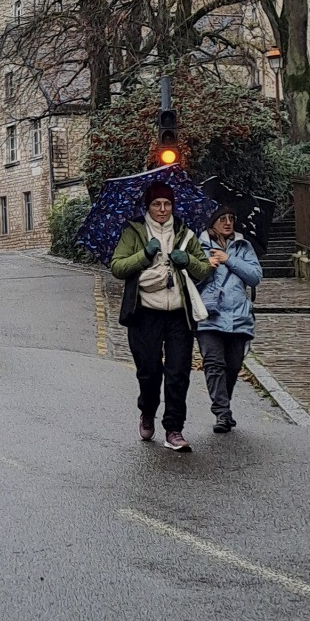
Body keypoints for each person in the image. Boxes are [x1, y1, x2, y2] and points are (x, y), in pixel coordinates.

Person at [110, 182, 211, 452]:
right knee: (149, 372)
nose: (163, 209)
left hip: (179, 315)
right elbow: (117, 267)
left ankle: (174, 429)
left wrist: (187, 260)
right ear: (148, 207)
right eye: (157, 204)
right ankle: (147, 411)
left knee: (178, 373)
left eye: (167, 204)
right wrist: (144, 255)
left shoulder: (186, 234)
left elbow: (204, 269)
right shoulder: (133, 232)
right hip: (145, 314)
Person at [195, 203, 263, 434]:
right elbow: (189, 280)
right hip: (210, 316)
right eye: (222, 219)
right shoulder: (199, 246)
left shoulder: (244, 246)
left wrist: (228, 259)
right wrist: (206, 267)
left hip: (238, 317)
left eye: (231, 218)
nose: (227, 223)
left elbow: (255, 277)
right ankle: (222, 412)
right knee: (214, 364)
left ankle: (224, 405)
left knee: (232, 366)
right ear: (212, 222)